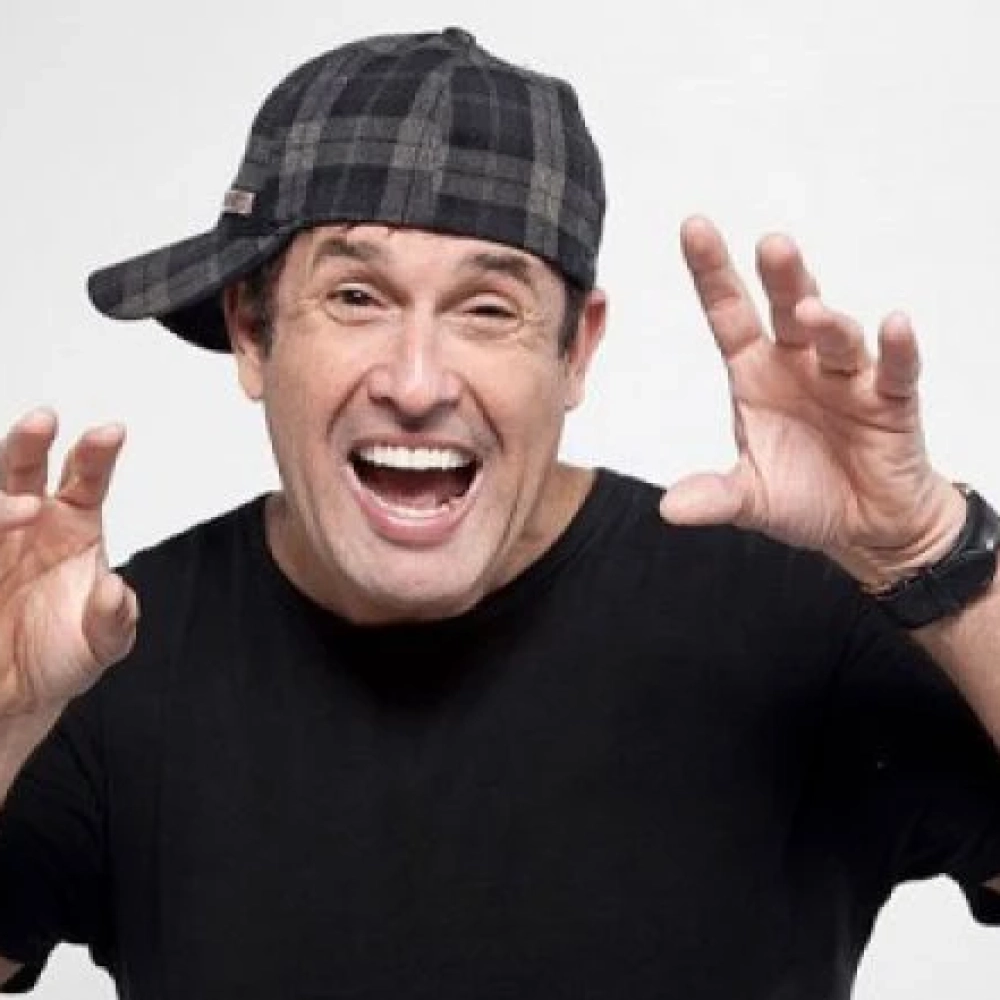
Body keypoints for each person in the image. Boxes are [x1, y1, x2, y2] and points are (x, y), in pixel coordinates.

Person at [0, 26, 998, 999]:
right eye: (356, 297)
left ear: (575, 351)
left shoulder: (792, 627)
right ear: (253, 334)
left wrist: (933, 552)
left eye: (487, 309)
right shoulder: (111, 664)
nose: (416, 382)